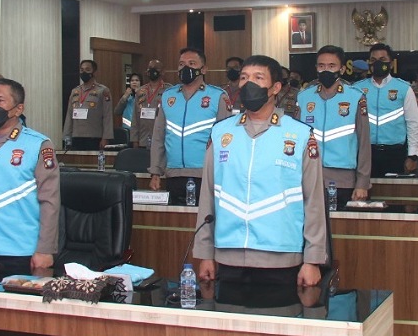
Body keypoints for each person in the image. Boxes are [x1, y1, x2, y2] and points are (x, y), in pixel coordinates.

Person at [194, 55, 327, 287]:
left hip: (281, 255)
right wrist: (205, 253)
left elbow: (313, 202)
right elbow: (208, 196)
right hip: (228, 253)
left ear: (275, 88)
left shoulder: (300, 135)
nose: (249, 84)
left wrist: (312, 259)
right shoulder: (221, 133)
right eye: (244, 78)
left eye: (258, 78)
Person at [0, 78, 60, 274]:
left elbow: (50, 201)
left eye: (0, 100)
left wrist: (45, 249)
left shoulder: (37, 145)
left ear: (18, 109)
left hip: (22, 251)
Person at [149, 48, 231, 203]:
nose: (185, 68)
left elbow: (227, 141)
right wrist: (155, 172)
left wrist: (224, 174)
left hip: (206, 174)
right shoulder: (168, 96)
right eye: (181, 64)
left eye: (192, 63)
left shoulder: (217, 96)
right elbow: (158, 137)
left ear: (204, 69)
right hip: (173, 174)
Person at [295, 45, 371, 206]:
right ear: (316, 68)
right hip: (308, 176)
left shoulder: (356, 97)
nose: (326, 70)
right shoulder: (303, 97)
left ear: (342, 69)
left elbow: (364, 143)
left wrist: (362, 183)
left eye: (331, 66)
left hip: (343, 179)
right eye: (321, 66)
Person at [358, 43, 418, 177]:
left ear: (391, 64)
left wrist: (413, 155)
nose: (377, 63)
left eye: (382, 60)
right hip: (365, 152)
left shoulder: (404, 88)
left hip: (395, 153)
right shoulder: (357, 89)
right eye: (373, 60)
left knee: (393, 189)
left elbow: (413, 123)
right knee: (364, 188)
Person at [62, 59, 113, 151]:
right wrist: (67, 136)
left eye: (87, 70)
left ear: (94, 72)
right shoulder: (75, 91)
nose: (84, 72)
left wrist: (106, 137)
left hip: (94, 136)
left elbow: (107, 116)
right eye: (82, 70)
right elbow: (69, 115)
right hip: (76, 136)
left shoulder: (102, 90)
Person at [130, 59, 171, 148]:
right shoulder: (140, 91)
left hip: (162, 140)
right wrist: (134, 139)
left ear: (162, 72)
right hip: (143, 139)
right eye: (150, 68)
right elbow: (135, 118)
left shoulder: (169, 91)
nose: (152, 70)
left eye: (156, 68)